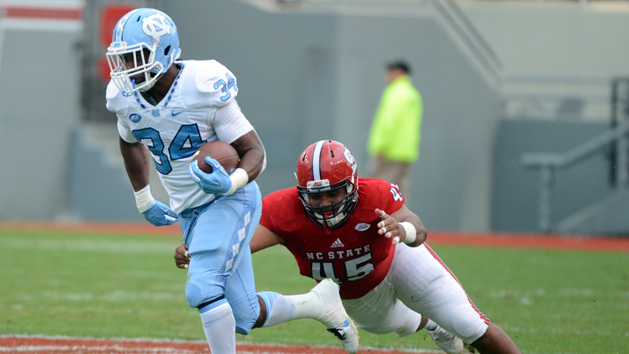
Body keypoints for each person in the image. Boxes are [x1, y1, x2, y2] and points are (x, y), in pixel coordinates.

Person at [105, 9, 358, 354]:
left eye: (135, 57)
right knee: (245, 313)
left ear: (164, 52)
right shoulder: (123, 96)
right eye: (121, 58)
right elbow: (129, 139)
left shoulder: (200, 86)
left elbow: (254, 150)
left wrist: (232, 182)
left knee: (202, 288)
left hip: (229, 200)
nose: (127, 68)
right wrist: (144, 197)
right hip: (191, 211)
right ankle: (319, 304)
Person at [175, 140, 522, 354]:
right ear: (301, 191)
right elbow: (235, 245)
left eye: (333, 193)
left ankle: (452, 326)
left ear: (353, 185)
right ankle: (433, 325)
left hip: (397, 258)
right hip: (358, 294)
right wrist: (202, 252)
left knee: (471, 324)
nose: (325, 203)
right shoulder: (283, 210)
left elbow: (419, 228)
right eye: (316, 194)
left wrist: (400, 228)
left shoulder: (375, 194)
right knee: (395, 324)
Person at [367, 60, 423, 196]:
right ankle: (401, 218)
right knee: (400, 193)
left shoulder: (395, 93)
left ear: (398, 73)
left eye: (389, 72)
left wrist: (381, 146)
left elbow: (389, 122)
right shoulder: (413, 94)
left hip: (390, 151)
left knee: (379, 190)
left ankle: (379, 218)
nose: (387, 76)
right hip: (406, 152)